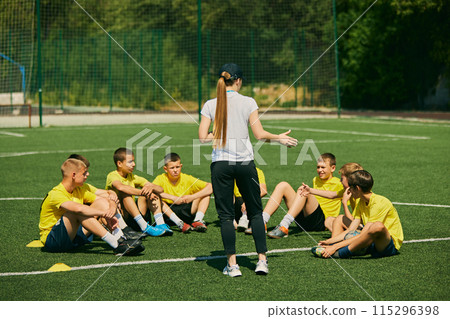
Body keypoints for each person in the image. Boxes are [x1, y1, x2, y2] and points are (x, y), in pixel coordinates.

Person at [198, 63, 298, 277]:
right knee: (255, 213)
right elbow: (260, 135)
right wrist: (279, 138)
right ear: (239, 81)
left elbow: (202, 137)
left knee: (225, 216)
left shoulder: (209, 104)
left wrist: (219, 133)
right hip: (245, 164)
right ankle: (262, 261)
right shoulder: (248, 102)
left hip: (220, 165)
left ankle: (232, 266)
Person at [39, 158, 144, 256]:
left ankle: (121, 238)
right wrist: (103, 214)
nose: (87, 174)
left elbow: (102, 200)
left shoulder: (79, 189)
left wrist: (111, 208)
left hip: (73, 238)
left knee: (101, 204)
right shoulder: (56, 193)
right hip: (52, 241)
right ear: (73, 175)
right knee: (78, 211)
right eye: (84, 173)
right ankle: (116, 245)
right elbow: (78, 209)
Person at [315, 170, 403, 259]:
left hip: (387, 245)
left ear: (357, 188)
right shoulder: (361, 202)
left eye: (350, 188)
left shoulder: (380, 202)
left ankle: (341, 253)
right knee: (341, 218)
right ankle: (332, 248)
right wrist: (329, 242)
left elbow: (364, 234)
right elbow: (351, 229)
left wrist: (335, 247)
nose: (348, 190)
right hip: (371, 242)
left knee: (377, 226)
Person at [266, 153, 344, 238]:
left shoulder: (339, 183)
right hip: (305, 220)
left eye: (323, 167)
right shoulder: (316, 179)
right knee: (283, 185)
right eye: (318, 167)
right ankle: (262, 221)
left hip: (322, 223)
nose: (320, 170)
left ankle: (284, 225)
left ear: (333, 168)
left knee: (305, 191)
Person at [68, 154, 143, 241]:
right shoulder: (61, 192)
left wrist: (111, 195)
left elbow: (105, 194)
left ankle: (121, 235)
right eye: (84, 172)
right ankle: (122, 235)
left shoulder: (84, 187)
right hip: (75, 233)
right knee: (103, 207)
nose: (88, 174)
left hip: (86, 229)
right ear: (73, 173)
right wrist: (104, 211)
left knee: (106, 204)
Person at [105, 147, 166, 237]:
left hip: (133, 216)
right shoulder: (112, 175)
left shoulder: (132, 177)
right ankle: (144, 226)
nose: (134, 164)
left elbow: (160, 189)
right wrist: (144, 192)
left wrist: (151, 188)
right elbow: (120, 187)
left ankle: (161, 224)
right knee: (125, 193)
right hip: (121, 217)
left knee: (152, 190)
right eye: (130, 162)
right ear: (119, 163)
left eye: (133, 161)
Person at [151, 152, 213, 232]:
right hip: (168, 214)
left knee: (205, 194)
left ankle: (197, 220)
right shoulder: (160, 179)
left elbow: (211, 187)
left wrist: (192, 197)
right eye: (172, 168)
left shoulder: (187, 178)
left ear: (181, 166)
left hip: (186, 211)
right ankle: (179, 223)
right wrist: (173, 198)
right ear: (165, 169)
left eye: (177, 167)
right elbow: (151, 190)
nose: (175, 170)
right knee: (156, 198)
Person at [300, 162, 364, 237]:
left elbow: (355, 221)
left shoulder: (360, 196)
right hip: (357, 225)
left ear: (350, 180)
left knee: (340, 218)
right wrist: (310, 190)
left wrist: (344, 203)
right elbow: (332, 195)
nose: (340, 181)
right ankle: (344, 236)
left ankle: (347, 237)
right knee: (329, 220)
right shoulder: (349, 191)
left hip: (363, 227)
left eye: (342, 178)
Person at [234, 167, 267, 233]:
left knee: (251, 198)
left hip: (250, 202)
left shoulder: (257, 171)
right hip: (237, 204)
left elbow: (263, 191)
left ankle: (246, 218)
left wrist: (248, 201)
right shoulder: (233, 171)